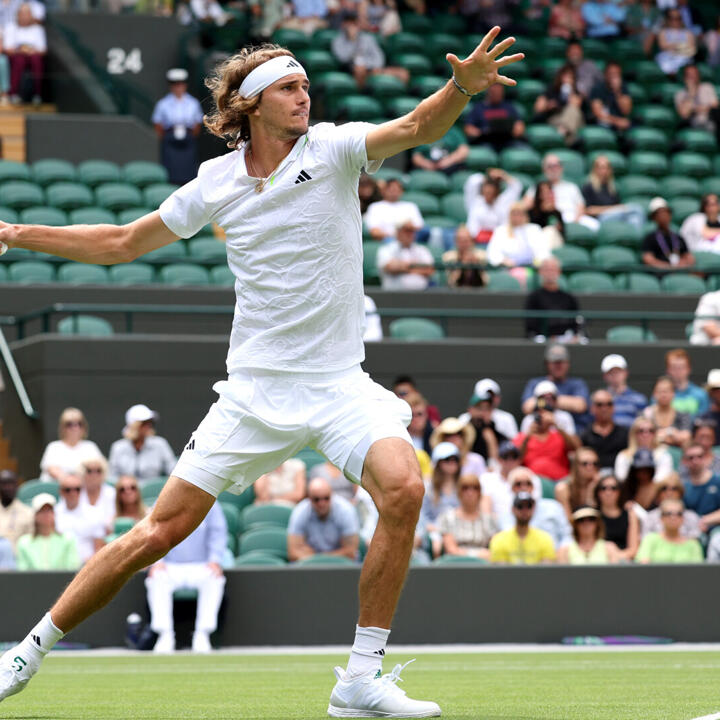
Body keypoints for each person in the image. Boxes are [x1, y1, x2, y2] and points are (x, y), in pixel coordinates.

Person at [0, 32, 523, 716]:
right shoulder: (215, 182)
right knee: (155, 535)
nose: (306, 96)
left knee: (403, 489)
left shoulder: (333, 148)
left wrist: (461, 89)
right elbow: (124, 242)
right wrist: (15, 233)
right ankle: (26, 650)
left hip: (339, 384)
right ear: (250, 103)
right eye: (290, 86)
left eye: (307, 85)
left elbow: (415, 126)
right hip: (254, 392)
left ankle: (360, 679)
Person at [146, 501, 227, 653]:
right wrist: (157, 561)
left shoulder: (210, 502)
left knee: (215, 579)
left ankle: (202, 634)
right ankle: (165, 635)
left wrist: (214, 560)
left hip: (202, 565)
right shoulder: (163, 500)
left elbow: (218, 532)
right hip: (170, 566)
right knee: (156, 578)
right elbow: (154, 531)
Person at [330, 10, 408, 90]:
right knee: (359, 69)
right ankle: (361, 95)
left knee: (402, 73)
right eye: (349, 23)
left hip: (372, 69)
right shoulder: (338, 40)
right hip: (352, 71)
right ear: (343, 24)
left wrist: (373, 68)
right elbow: (343, 58)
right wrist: (352, 40)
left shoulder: (368, 38)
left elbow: (379, 57)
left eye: (354, 23)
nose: (352, 26)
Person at [521, 343, 590, 433]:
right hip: (542, 433)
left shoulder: (577, 383)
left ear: (568, 363)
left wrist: (545, 399)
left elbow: (580, 405)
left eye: (561, 362)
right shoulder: (535, 383)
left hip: (573, 433)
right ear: (547, 363)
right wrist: (558, 401)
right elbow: (527, 407)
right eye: (554, 362)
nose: (558, 366)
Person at [151, 68, 204, 186]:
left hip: (187, 138)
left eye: (180, 84)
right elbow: (158, 124)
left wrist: (190, 136)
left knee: (188, 169)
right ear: (171, 86)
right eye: (175, 84)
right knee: (170, 169)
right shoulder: (163, 103)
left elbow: (197, 123)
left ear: (185, 85)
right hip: (170, 138)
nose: (178, 87)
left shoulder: (193, 102)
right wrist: (167, 137)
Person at [287, 477, 360, 561]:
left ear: (332, 495)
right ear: (309, 498)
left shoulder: (346, 510)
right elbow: (293, 553)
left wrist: (317, 558)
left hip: (339, 566)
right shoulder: (299, 512)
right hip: (312, 568)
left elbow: (351, 552)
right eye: (316, 499)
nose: (322, 503)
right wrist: (330, 556)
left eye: (326, 498)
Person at [499, 466, 571, 549]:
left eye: (528, 484)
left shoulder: (553, 507)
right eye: (518, 484)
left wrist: (562, 551)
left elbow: (567, 535)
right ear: (511, 488)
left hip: (554, 556)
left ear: (534, 487)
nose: (524, 487)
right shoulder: (505, 514)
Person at [513, 393, 579, 482]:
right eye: (537, 413)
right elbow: (515, 458)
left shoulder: (559, 435)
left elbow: (577, 448)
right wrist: (528, 436)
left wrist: (556, 424)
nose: (540, 416)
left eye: (544, 412)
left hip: (559, 481)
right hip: (532, 483)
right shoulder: (524, 436)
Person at [525, 154, 597, 230]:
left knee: (594, 225)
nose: (553, 169)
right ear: (544, 169)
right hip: (551, 219)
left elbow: (581, 206)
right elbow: (527, 204)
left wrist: (575, 221)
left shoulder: (571, 187)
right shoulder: (539, 187)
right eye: (550, 166)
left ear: (561, 168)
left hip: (573, 217)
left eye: (556, 166)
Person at [108, 404, 176, 484]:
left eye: (150, 423)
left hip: (155, 494)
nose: (148, 426)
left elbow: (173, 471)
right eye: (144, 423)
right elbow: (112, 477)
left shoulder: (160, 444)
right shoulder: (118, 447)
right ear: (134, 426)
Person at [438, 473, 497, 559]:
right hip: (456, 565)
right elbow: (451, 550)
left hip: (483, 567)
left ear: (479, 493)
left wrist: (465, 552)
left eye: (475, 488)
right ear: (459, 492)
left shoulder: (488, 520)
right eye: (465, 488)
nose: (470, 493)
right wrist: (479, 554)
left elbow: (494, 550)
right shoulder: (448, 518)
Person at [15, 494, 80, 571]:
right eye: (42, 511)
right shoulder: (24, 542)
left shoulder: (68, 539)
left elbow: (72, 569)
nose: (47, 514)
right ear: (35, 515)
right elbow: (23, 572)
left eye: (49, 510)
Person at [420, 441, 463, 558]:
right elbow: (423, 517)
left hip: (461, 529)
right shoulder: (428, 487)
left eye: (455, 459)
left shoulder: (464, 486)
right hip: (435, 531)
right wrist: (438, 530)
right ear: (438, 463)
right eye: (447, 459)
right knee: (436, 545)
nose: (452, 463)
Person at [524, 257, 582, 342]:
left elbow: (576, 323)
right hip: (542, 340)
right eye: (547, 269)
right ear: (541, 272)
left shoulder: (569, 298)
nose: (550, 273)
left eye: (553, 269)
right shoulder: (533, 297)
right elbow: (531, 326)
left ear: (559, 272)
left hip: (567, 340)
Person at [489, 491, 556, 564]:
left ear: (533, 509)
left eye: (529, 506)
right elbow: (500, 571)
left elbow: (546, 569)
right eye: (520, 506)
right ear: (513, 509)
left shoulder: (545, 538)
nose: (524, 510)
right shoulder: (499, 539)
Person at [39, 408, 102, 484]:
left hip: (82, 490)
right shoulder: (54, 447)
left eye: (79, 423)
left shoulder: (90, 447)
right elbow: (52, 470)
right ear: (62, 427)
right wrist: (71, 482)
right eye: (69, 424)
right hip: (57, 488)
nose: (75, 428)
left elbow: (99, 469)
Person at [54, 475, 106, 565]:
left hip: (88, 566)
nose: (73, 493)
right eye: (68, 490)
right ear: (61, 492)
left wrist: (91, 563)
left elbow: (99, 546)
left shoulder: (94, 513)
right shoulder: (54, 514)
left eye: (77, 489)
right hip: (59, 567)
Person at [581, 155, 644, 228]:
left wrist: (617, 209)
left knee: (634, 219)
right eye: (601, 168)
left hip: (614, 216)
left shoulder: (612, 188)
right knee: (635, 209)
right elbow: (588, 210)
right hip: (599, 219)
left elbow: (617, 205)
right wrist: (612, 209)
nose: (604, 171)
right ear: (595, 169)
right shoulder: (588, 187)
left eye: (607, 168)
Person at [463, 167, 522, 243]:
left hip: (498, 241)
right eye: (486, 191)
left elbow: (516, 186)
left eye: (491, 192)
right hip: (475, 241)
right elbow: (472, 182)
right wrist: (488, 176)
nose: (488, 194)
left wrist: (502, 175)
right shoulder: (475, 201)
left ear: (496, 192)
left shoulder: (503, 202)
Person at [635, 499, 703, 563]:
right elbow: (643, 563)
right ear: (661, 518)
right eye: (668, 513)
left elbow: (698, 571)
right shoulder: (650, 539)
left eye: (678, 514)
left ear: (683, 518)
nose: (673, 517)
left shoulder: (693, 545)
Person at [462, 82, 525, 152]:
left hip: (508, 140)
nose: (497, 94)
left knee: (522, 149)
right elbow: (468, 128)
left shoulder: (509, 107)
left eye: (499, 92)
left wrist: (514, 131)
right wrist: (482, 133)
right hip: (486, 142)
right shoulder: (478, 108)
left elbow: (519, 125)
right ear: (489, 92)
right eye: (495, 92)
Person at [486, 202, 550, 269]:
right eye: (514, 214)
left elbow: (543, 251)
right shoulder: (501, 230)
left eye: (520, 214)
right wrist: (503, 260)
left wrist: (538, 261)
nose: (517, 217)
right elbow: (492, 252)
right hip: (508, 268)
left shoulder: (534, 229)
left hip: (532, 267)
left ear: (525, 215)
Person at [377, 216, 435, 289]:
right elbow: (391, 267)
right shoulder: (387, 249)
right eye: (407, 230)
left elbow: (429, 270)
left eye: (412, 231)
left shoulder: (422, 249)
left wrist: (402, 267)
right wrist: (416, 267)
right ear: (398, 232)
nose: (410, 234)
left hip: (421, 295)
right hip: (392, 295)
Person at [532, 65, 585, 145]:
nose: (567, 79)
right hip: (556, 119)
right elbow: (538, 108)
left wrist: (570, 92)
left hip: (574, 121)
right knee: (572, 135)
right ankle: (568, 142)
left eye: (570, 76)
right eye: (565, 75)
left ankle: (561, 135)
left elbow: (576, 107)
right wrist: (548, 106)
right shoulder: (552, 89)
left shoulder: (576, 92)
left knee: (573, 110)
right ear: (560, 76)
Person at [5, 3, 45, 105]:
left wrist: (31, 51)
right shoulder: (11, 27)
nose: (24, 16)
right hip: (16, 57)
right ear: (17, 15)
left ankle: (38, 94)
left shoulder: (38, 29)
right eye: (22, 13)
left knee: (36, 59)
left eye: (27, 13)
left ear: (31, 15)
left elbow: (43, 50)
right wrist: (21, 50)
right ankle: (13, 94)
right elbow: (8, 49)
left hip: (33, 56)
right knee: (19, 59)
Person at [594, 473, 640, 560]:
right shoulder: (592, 515)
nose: (608, 492)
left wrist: (616, 557)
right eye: (603, 488)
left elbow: (633, 550)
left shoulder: (630, 515)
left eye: (613, 488)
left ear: (619, 492)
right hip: (598, 561)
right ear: (598, 492)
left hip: (622, 562)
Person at [614, 417, 674, 484]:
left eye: (650, 431)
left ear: (655, 434)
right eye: (641, 431)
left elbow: (663, 478)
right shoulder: (623, 455)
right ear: (634, 434)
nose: (646, 434)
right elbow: (621, 478)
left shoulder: (664, 455)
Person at [580, 390, 629, 471]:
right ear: (592, 408)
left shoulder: (624, 433)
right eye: (599, 405)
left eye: (609, 404)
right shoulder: (585, 435)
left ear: (614, 407)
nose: (604, 408)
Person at [363, 178, 424, 242]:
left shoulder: (410, 206)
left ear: (401, 191)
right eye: (391, 189)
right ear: (384, 190)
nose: (394, 192)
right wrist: (396, 235)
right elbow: (374, 232)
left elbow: (420, 227)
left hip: (412, 239)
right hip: (389, 240)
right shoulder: (375, 207)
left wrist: (407, 227)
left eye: (397, 189)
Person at [642, 198, 695, 269]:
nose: (664, 216)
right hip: (661, 273)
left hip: (679, 271)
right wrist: (668, 267)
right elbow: (648, 259)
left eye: (666, 212)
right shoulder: (650, 238)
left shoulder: (678, 237)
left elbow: (690, 258)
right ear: (654, 218)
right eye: (660, 213)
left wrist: (682, 264)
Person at [644, 474, 701, 539]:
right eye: (664, 488)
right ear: (658, 494)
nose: (669, 493)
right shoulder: (650, 517)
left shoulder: (691, 517)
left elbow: (695, 542)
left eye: (674, 489)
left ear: (680, 493)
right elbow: (645, 541)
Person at [642, 376, 692, 448]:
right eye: (660, 391)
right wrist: (673, 434)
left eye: (667, 391)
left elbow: (686, 437)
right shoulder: (647, 414)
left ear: (673, 393)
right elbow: (644, 437)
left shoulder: (683, 415)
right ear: (654, 394)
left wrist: (664, 434)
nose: (663, 395)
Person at [681, 442, 720, 533]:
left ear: (706, 458)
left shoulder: (717, 481)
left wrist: (705, 520)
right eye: (691, 458)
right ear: (684, 461)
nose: (695, 461)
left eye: (699, 456)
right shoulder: (683, 487)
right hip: (691, 531)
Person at [601, 354, 648, 429]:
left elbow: (643, 425)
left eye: (618, 371)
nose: (615, 375)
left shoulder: (639, 399)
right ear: (604, 376)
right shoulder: (599, 400)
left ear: (626, 373)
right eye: (611, 372)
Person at [555, 446, 601, 521]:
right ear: (576, 466)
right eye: (585, 463)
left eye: (594, 463)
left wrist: (591, 491)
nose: (590, 467)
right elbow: (567, 520)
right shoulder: (563, 488)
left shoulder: (602, 485)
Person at [588, 63, 633, 137]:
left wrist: (617, 92)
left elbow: (626, 111)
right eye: (611, 73)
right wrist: (617, 121)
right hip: (604, 123)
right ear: (605, 74)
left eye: (616, 74)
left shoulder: (623, 88)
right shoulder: (597, 88)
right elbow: (598, 114)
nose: (613, 76)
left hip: (620, 124)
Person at [675, 64, 719, 136]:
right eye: (690, 75)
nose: (693, 77)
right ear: (684, 78)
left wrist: (693, 110)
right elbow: (684, 114)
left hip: (710, 121)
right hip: (692, 125)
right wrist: (691, 94)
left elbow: (715, 106)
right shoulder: (680, 94)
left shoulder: (707, 87)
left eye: (695, 74)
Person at [664, 349, 709, 418]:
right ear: (668, 370)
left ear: (689, 369)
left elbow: (704, 420)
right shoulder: (661, 394)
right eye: (674, 367)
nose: (678, 371)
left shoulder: (701, 394)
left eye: (681, 367)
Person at [78, 456, 116, 532]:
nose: (94, 475)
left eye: (98, 471)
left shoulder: (112, 493)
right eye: (89, 471)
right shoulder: (74, 491)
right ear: (82, 472)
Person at [655, 8, 696, 77]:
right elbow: (663, 46)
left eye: (678, 18)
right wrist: (682, 46)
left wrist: (673, 46)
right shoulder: (663, 32)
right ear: (668, 19)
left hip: (684, 57)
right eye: (672, 18)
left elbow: (692, 49)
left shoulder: (688, 33)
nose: (675, 21)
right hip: (667, 58)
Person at [0, 469, 33, 550]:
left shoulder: (28, 513)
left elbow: (31, 544)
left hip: (17, 559)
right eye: (4, 484)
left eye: (11, 483)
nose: (8, 488)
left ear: (17, 486)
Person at [528, 180, 564, 247]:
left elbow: (563, 232)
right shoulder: (531, 212)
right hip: (538, 240)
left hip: (555, 241)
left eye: (548, 192)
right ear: (538, 195)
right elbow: (532, 228)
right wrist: (544, 212)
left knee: (551, 232)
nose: (546, 195)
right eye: (543, 192)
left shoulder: (557, 212)